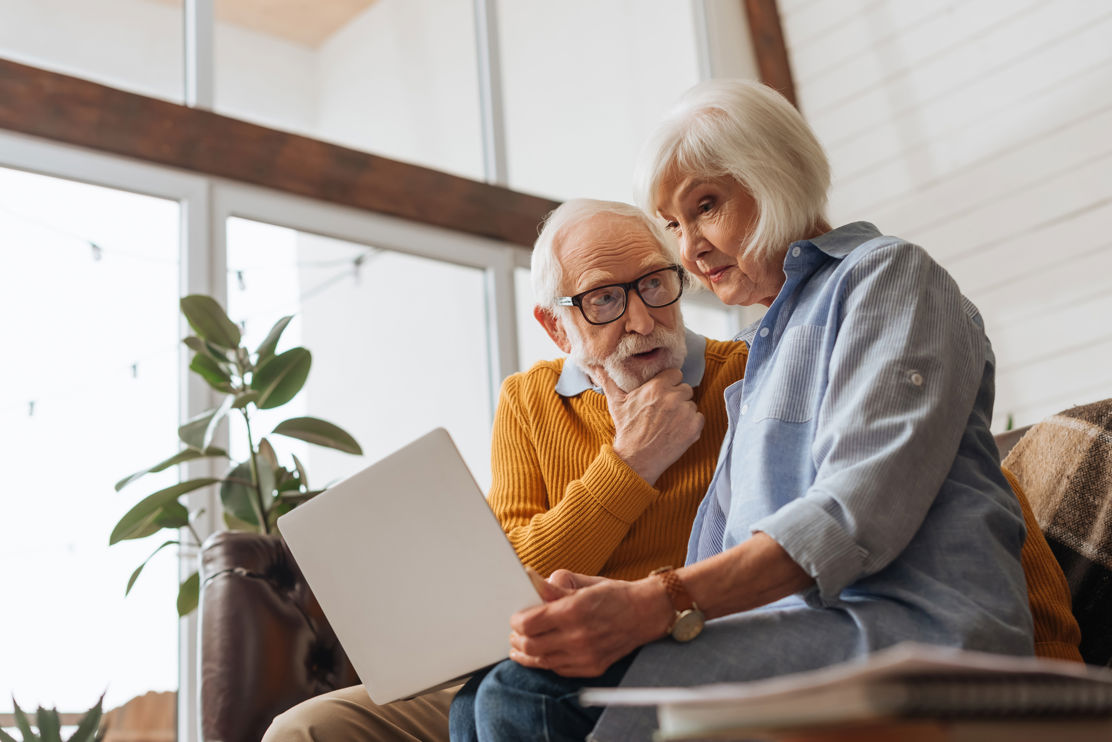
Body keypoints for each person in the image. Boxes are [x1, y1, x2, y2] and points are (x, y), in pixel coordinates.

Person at [457, 80, 1079, 742]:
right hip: (801, 633)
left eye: (705, 206)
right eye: (675, 224)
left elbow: (858, 509)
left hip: (912, 631)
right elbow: (717, 549)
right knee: (483, 697)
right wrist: (613, 602)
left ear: (774, 174)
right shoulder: (767, 350)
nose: (690, 250)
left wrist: (655, 602)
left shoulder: (888, 275)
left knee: (526, 695)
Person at [262, 198, 751, 741]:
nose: (641, 319)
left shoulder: (743, 375)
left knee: (501, 698)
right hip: (528, 655)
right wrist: (632, 463)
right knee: (306, 728)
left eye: (655, 284)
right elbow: (512, 580)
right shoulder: (528, 399)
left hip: (663, 646)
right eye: (604, 299)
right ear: (557, 328)